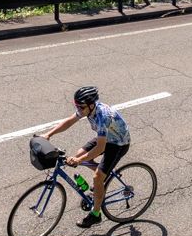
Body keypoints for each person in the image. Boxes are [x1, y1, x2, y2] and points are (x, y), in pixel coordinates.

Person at [39, 85, 131, 228]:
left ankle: (96, 214)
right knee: (79, 154)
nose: (79, 110)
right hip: (107, 137)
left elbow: (101, 147)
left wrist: (79, 161)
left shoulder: (103, 116)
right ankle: (101, 177)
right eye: (77, 106)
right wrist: (48, 134)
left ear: (91, 104)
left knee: (96, 176)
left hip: (118, 143)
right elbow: (69, 121)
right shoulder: (87, 109)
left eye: (81, 107)